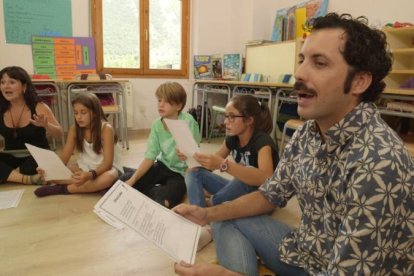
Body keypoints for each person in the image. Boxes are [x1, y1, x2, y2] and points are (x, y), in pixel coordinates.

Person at [174, 13, 413, 275]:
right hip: (305, 250)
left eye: (319, 63)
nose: (299, 73)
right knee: (222, 216)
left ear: (359, 81)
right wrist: (205, 214)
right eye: (302, 60)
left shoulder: (380, 161)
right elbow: (269, 195)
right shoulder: (306, 134)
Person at [185, 94, 279, 208]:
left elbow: (266, 178)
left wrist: (224, 165)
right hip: (238, 189)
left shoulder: (263, 141)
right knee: (194, 172)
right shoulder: (233, 138)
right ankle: (198, 212)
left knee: (246, 173)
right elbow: (212, 163)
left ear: (249, 120)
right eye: (226, 116)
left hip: (262, 196)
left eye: (231, 117)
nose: (225, 122)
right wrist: (189, 156)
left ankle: (212, 203)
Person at [119, 82, 200, 208]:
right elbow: (150, 156)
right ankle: (143, 183)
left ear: (178, 106)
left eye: (166, 101)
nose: (161, 105)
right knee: (123, 181)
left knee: (163, 202)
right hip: (163, 166)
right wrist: (132, 180)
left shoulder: (188, 121)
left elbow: (195, 153)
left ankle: (150, 189)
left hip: (180, 173)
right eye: (159, 100)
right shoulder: (157, 124)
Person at [34, 92, 123, 197]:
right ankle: (95, 187)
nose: (79, 117)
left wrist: (90, 175)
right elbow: (64, 159)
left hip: (105, 169)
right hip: (85, 168)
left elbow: (108, 164)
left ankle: (63, 189)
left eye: (83, 112)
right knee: (53, 173)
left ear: (94, 112)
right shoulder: (74, 129)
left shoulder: (106, 129)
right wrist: (48, 169)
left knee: (107, 178)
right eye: (76, 113)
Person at [0, 66, 63, 185]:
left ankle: (10, 175)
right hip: (11, 156)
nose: (6, 86)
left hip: (37, 156)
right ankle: (27, 179)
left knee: (34, 165)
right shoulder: (1, 108)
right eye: (2, 82)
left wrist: (46, 125)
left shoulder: (39, 106)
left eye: (11, 82)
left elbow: (59, 135)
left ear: (24, 86)